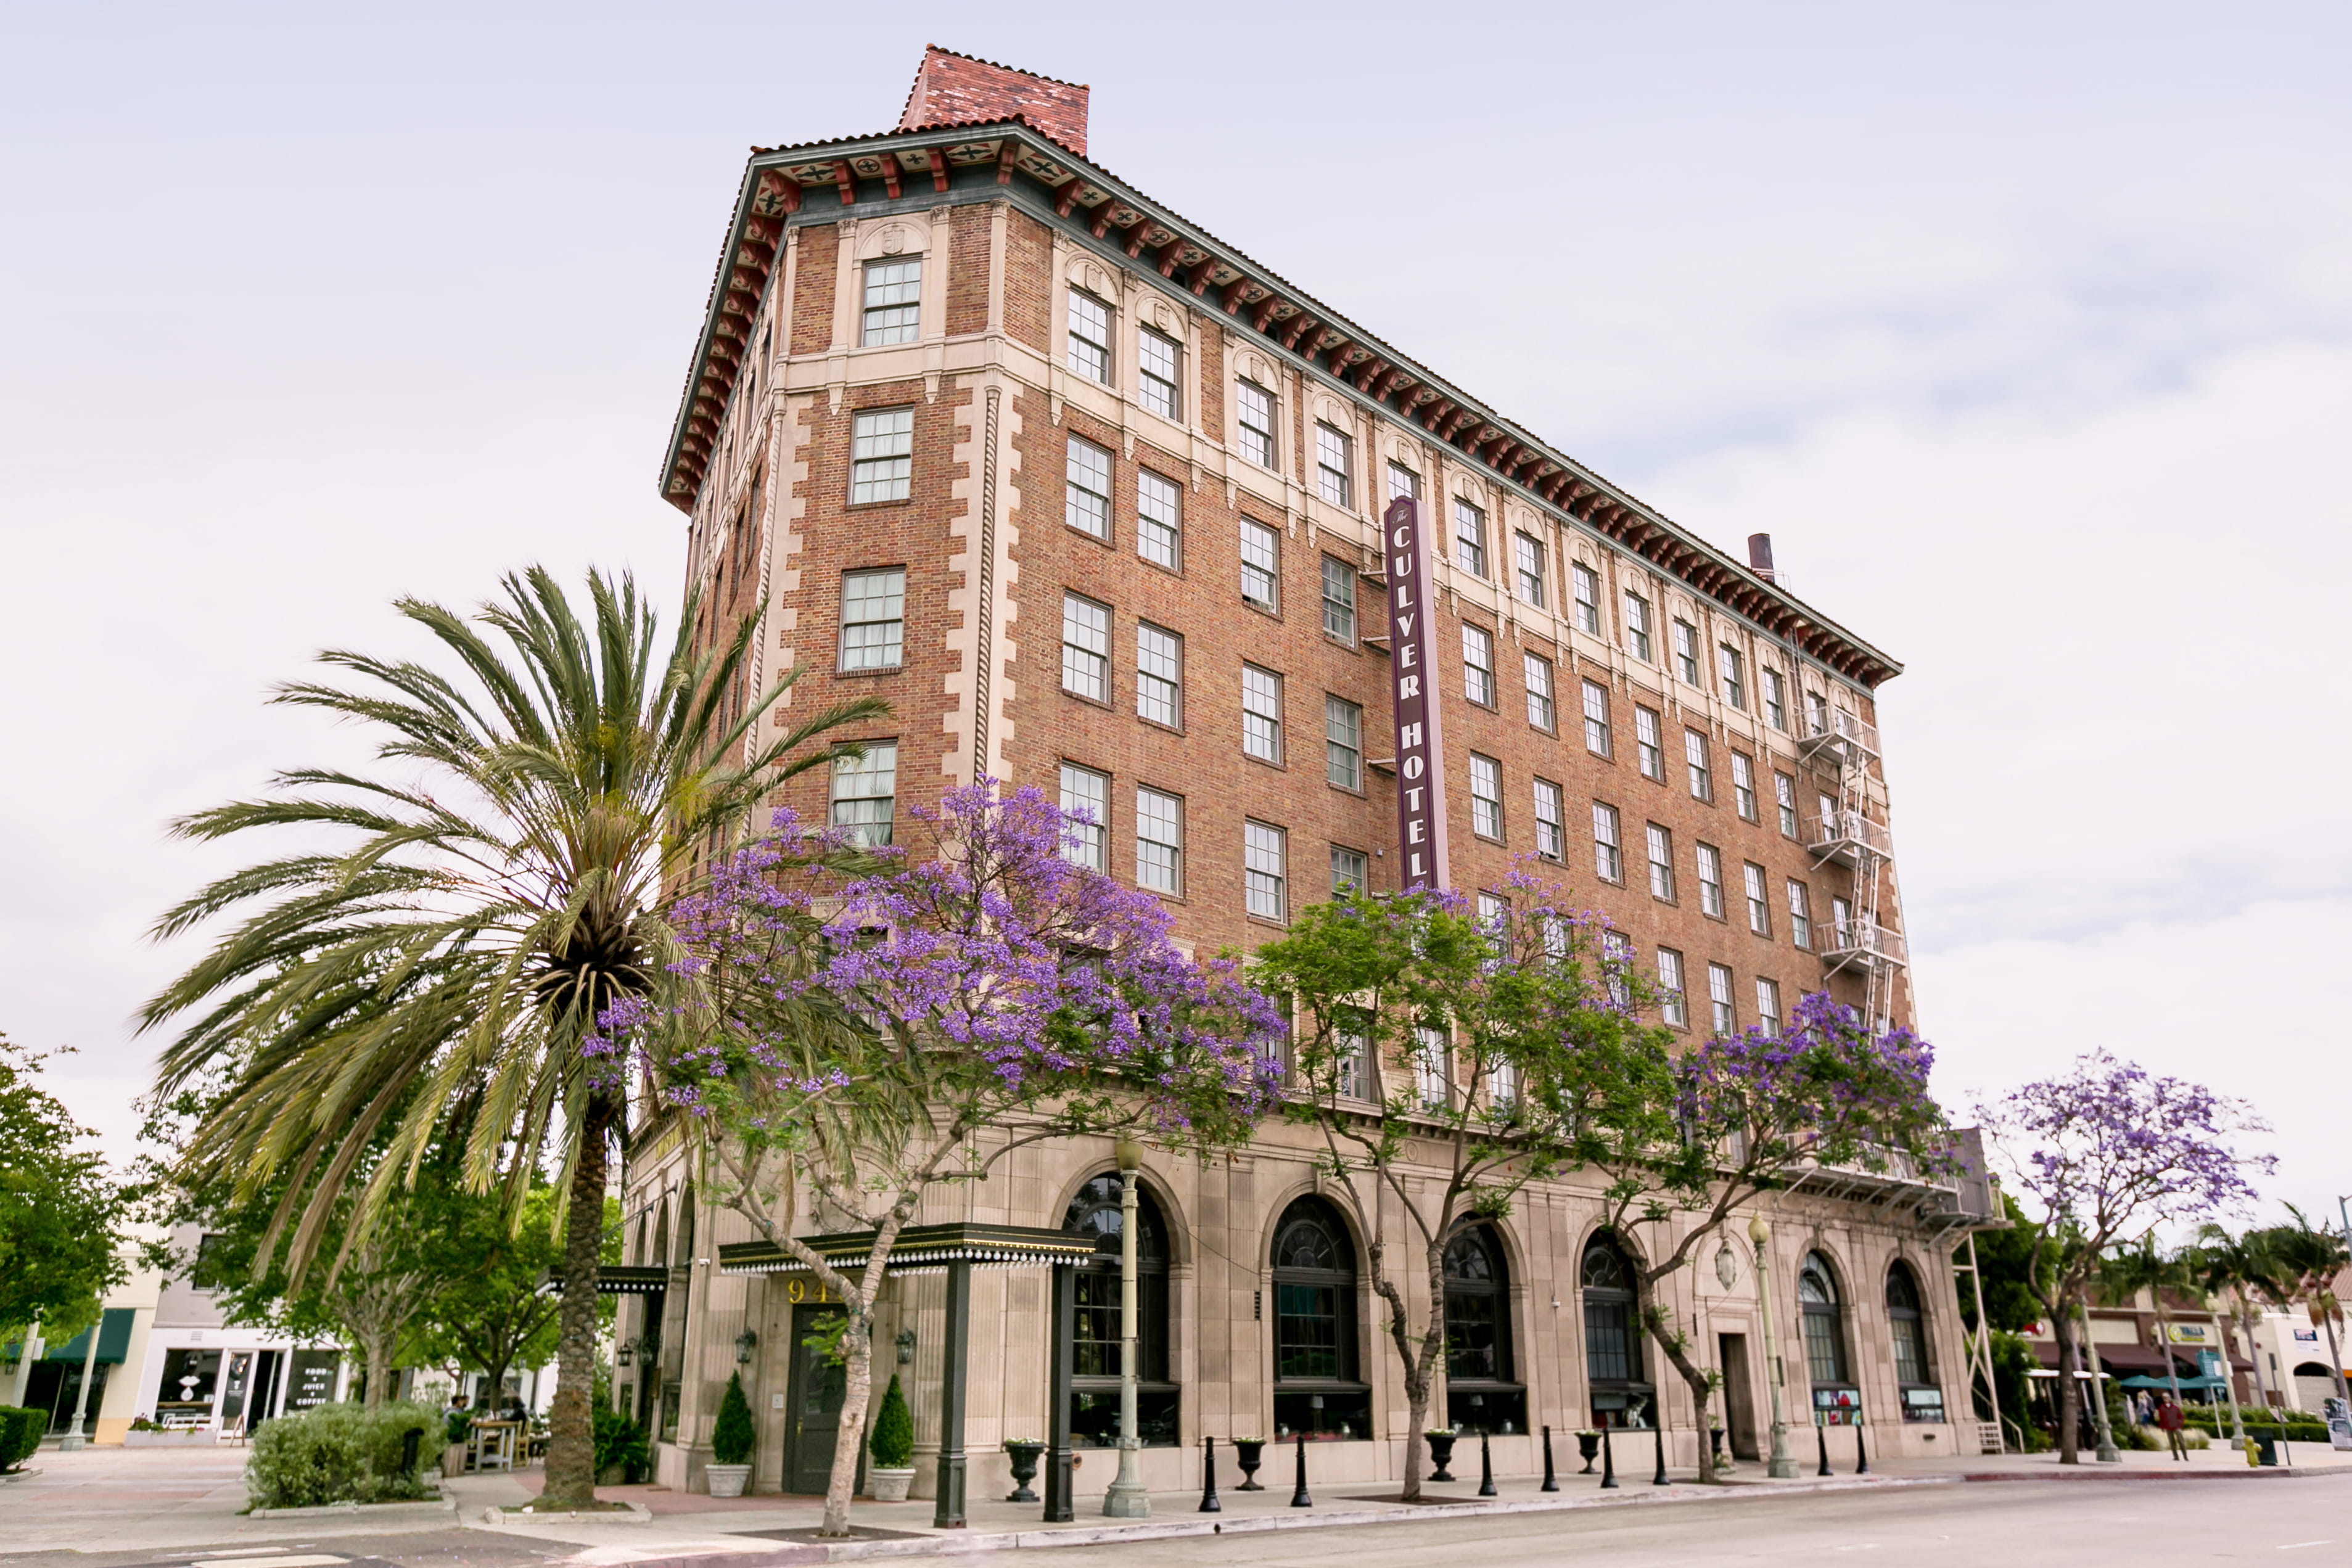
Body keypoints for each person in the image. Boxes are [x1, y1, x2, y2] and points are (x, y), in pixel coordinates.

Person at [2156, 1396, 2188, 1461]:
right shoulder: (2162, 1408)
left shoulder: (2175, 1407)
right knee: (2172, 1442)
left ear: (2170, 1398)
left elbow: (2181, 1416)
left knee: (2181, 1441)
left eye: (2167, 1398)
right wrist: (2162, 1427)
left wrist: (2179, 1424)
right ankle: (2176, 1457)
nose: (2166, 1399)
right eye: (2164, 1398)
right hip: (2168, 1427)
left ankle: (2185, 1456)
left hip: (2176, 1427)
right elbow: (2161, 1418)